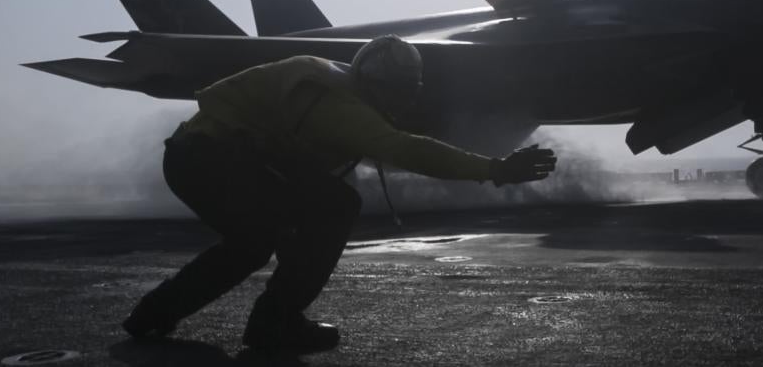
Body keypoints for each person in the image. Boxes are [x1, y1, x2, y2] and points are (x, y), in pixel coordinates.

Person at [121, 35, 557, 352]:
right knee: (330, 208)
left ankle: (155, 315)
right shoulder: (339, 105)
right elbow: (406, 149)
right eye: (399, 90)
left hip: (202, 158)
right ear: (381, 86)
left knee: (257, 241)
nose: (404, 101)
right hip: (210, 160)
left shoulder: (336, 86)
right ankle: (275, 323)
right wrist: (495, 169)